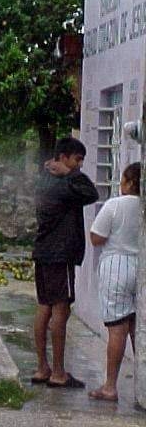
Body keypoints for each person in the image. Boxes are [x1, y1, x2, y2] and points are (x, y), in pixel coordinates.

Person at [31, 137, 99, 388]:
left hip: (43, 253)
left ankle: (42, 368)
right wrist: (70, 174)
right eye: (77, 159)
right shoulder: (66, 184)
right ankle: (59, 373)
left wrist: (62, 172)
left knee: (44, 307)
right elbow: (92, 193)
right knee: (61, 309)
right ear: (63, 158)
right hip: (60, 256)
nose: (80, 165)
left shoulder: (45, 181)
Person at [88, 162, 140, 402]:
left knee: (117, 330)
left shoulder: (115, 205)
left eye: (122, 181)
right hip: (142, 268)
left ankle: (110, 386)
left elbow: (96, 238)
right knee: (140, 331)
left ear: (130, 183)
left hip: (117, 268)